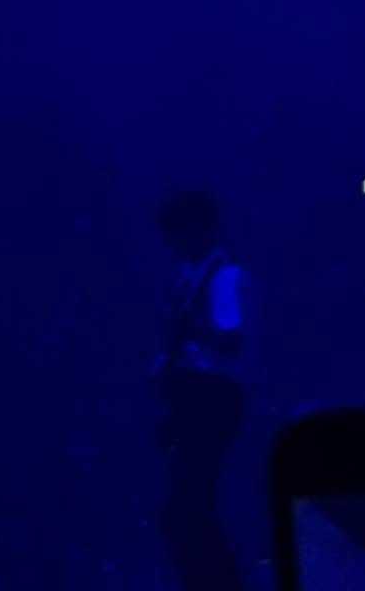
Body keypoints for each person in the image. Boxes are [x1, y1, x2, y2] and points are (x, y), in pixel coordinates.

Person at [153, 189, 246, 591]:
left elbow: (230, 340)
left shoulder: (222, 277)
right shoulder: (189, 277)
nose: (173, 244)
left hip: (211, 397)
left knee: (188, 509)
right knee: (186, 509)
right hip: (193, 398)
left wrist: (188, 331)